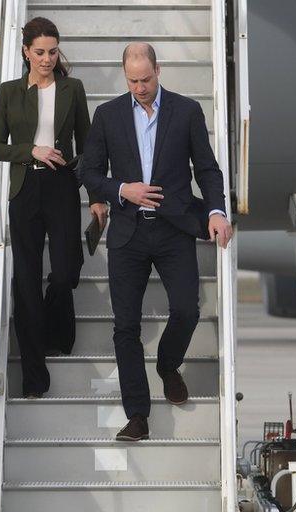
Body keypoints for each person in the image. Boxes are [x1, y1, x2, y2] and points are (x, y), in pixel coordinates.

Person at [80, 42, 234, 441]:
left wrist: (217, 212)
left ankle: (167, 365)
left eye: (146, 79)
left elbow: (207, 168)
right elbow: (90, 173)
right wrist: (120, 190)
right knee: (125, 327)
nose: (140, 87)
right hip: (129, 231)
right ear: (124, 75)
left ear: (158, 70)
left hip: (173, 227)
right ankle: (138, 415)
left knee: (187, 309)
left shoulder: (186, 111)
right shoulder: (108, 115)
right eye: (132, 81)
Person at [0, 17, 107, 398]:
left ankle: (56, 332)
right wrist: (31, 150)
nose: (46, 59)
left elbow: (89, 147)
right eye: (39, 52)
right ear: (25, 52)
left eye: (52, 52)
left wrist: (97, 196)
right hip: (25, 187)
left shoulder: (73, 88)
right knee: (25, 282)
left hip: (61, 185)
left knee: (65, 273)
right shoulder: (9, 91)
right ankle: (35, 378)